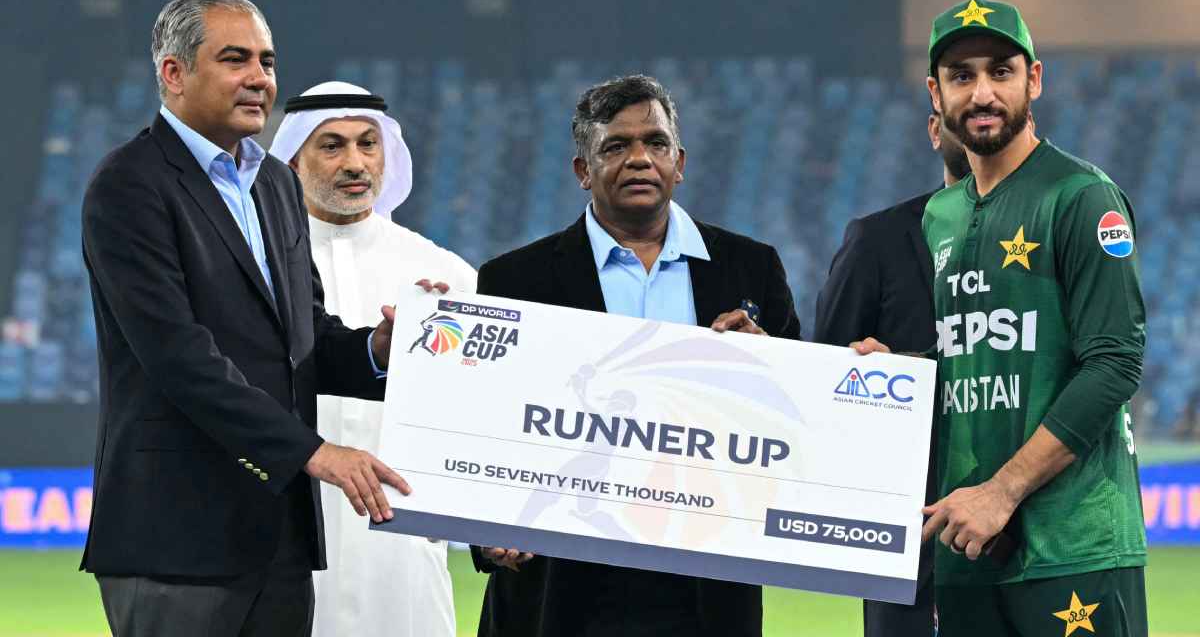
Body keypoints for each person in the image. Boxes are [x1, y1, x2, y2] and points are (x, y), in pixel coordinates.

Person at [80, 0, 411, 637]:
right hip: (175, 537)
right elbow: (178, 357)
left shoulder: (276, 185)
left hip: (279, 537)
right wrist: (315, 452)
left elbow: (303, 336)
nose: (260, 78)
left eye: (267, 60)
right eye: (236, 59)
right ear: (173, 73)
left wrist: (376, 347)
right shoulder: (128, 185)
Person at [854, 0, 1147, 636]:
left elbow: (1115, 362)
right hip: (969, 549)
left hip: (1072, 549)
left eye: (1000, 72)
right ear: (935, 94)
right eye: (962, 76)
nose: (982, 92)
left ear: (1033, 79)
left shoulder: (1082, 197)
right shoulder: (943, 217)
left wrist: (1002, 491)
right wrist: (905, 371)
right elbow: (986, 350)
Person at [469, 75, 801, 637]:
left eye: (656, 143)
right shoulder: (512, 279)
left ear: (680, 162)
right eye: (615, 146)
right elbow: (478, 423)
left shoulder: (751, 267)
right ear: (583, 171)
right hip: (558, 584)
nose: (640, 159)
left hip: (706, 586)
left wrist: (768, 365)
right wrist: (484, 529)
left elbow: (796, 419)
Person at [269, 80, 475, 637]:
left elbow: (479, 416)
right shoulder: (256, 266)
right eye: (331, 146)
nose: (355, 163)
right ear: (291, 160)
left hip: (403, 541)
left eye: (367, 143)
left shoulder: (446, 275)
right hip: (285, 533)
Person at [813, 112, 969, 637]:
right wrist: (858, 372)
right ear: (932, 130)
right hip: (911, 537)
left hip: (1032, 526)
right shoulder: (877, 240)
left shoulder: (1053, 238)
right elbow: (825, 380)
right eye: (957, 114)